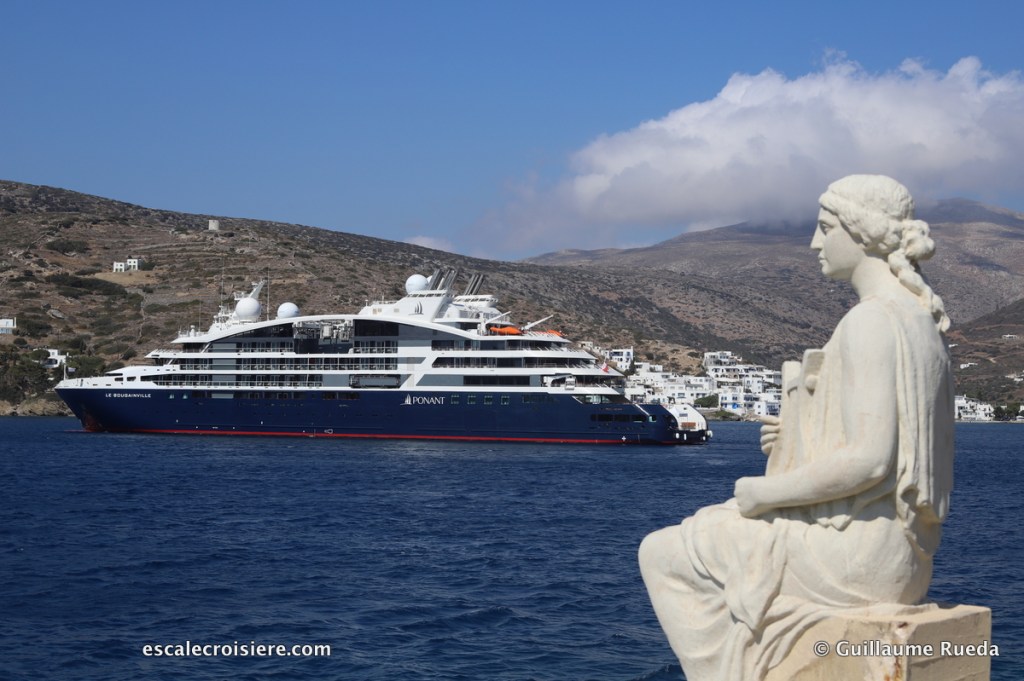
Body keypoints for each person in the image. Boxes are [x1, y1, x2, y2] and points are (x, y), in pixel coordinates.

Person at [638, 175, 955, 681]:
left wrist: (764, 491)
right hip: (906, 556)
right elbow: (894, 453)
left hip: (857, 557)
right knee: (714, 528)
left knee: (663, 551)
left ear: (861, 231)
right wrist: (794, 438)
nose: (814, 242)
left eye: (825, 227)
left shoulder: (871, 321)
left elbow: (870, 460)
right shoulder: (921, 320)